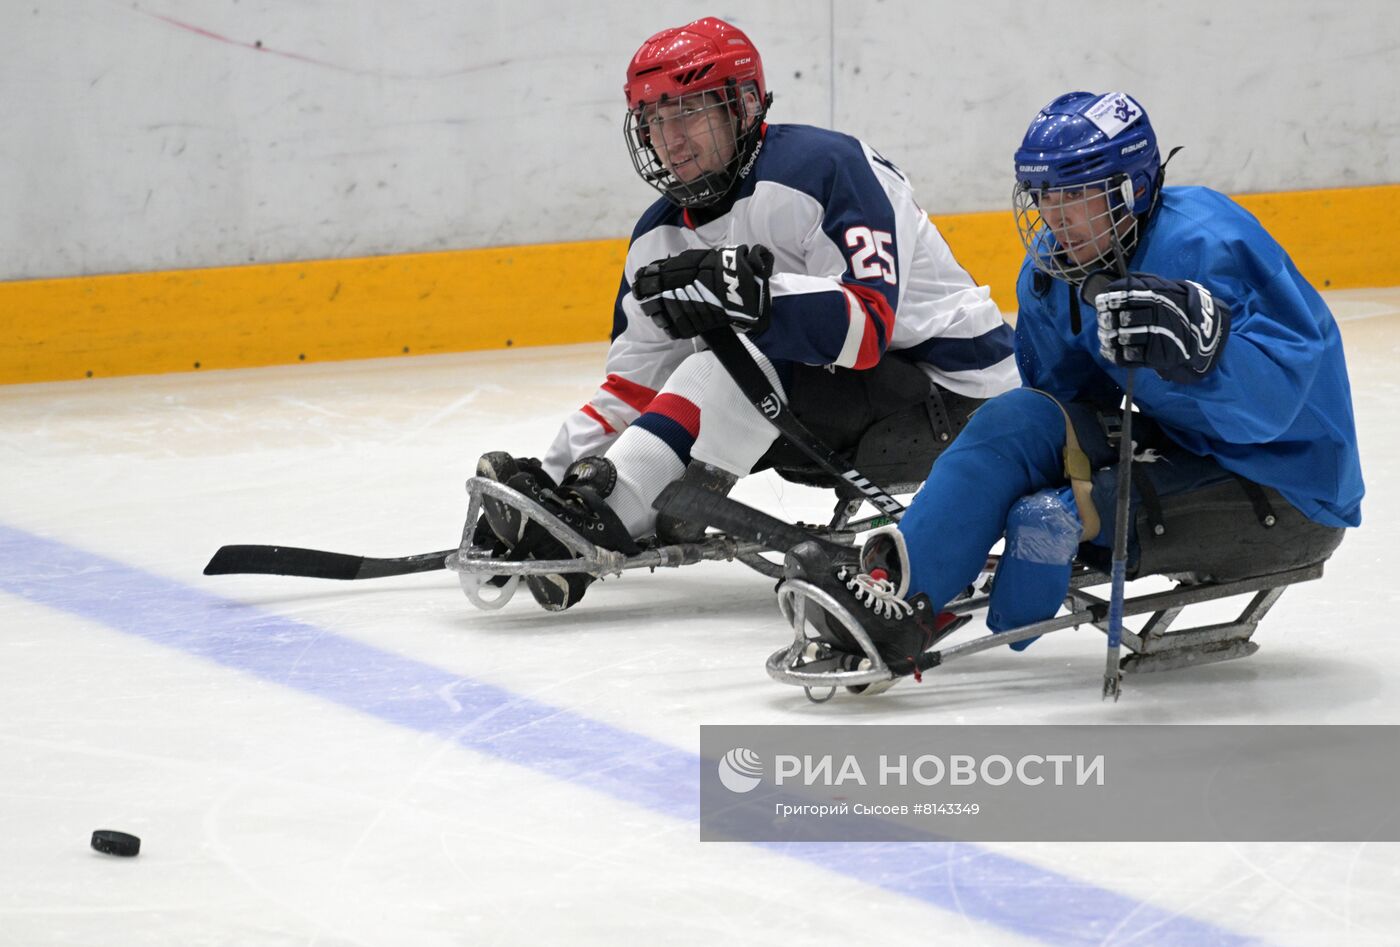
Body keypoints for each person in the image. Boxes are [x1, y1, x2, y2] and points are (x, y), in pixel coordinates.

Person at [783, 90, 1364, 677]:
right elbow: (1058, 410)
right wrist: (993, 491)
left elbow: (1280, 407)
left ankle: (954, 573)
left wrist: (1208, 358)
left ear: (1133, 190)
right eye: (1044, 195)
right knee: (1017, 420)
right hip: (1180, 445)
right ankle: (902, 591)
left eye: (1077, 195)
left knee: (1050, 517)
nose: (1055, 216)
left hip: (1288, 487)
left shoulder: (1210, 243)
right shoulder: (1054, 268)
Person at [474, 17, 1018, 611]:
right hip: (828, 410)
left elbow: (866, 329)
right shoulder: (657, 240)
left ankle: (598, 521)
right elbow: (632, 390)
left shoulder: (828, 168)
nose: (669, 140)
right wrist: (545, 486)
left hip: (959, 400)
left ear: (744, 105)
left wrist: (745, 293)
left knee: (730, 361)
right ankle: (576, 515)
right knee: (721, 368)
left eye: (687, 113)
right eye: (654, 120)